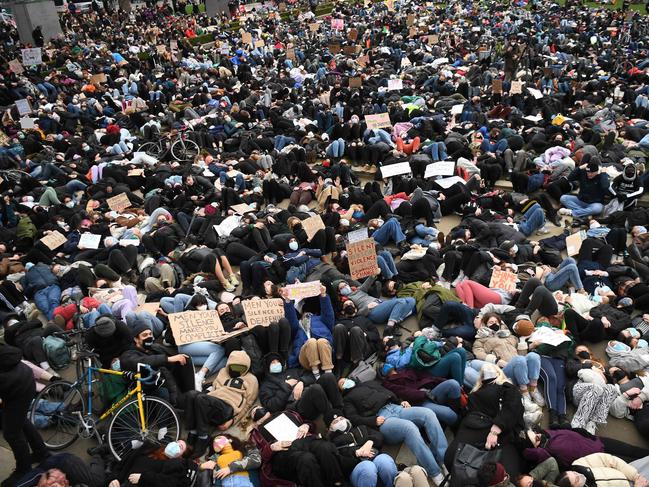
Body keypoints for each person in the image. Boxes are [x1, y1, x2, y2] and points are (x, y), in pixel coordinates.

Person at [340, 378, 448, 485]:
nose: (345, 382)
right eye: (342, 383)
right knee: (409, 428)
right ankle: (434, 472)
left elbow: (388, 392)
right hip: (383, 419)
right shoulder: (347, 400)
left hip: (396, 407)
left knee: (428, 414)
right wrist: (372, 421)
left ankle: (444, 460)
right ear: (341, 389)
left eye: (345, 379)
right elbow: (353, 418)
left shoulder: (369, 383)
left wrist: (401, 401)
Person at [0, 345, 49, 487]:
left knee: (11, 433)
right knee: (21, 420)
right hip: (23, 377)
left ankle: (24, 469)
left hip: (16, 387)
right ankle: (41, 453)